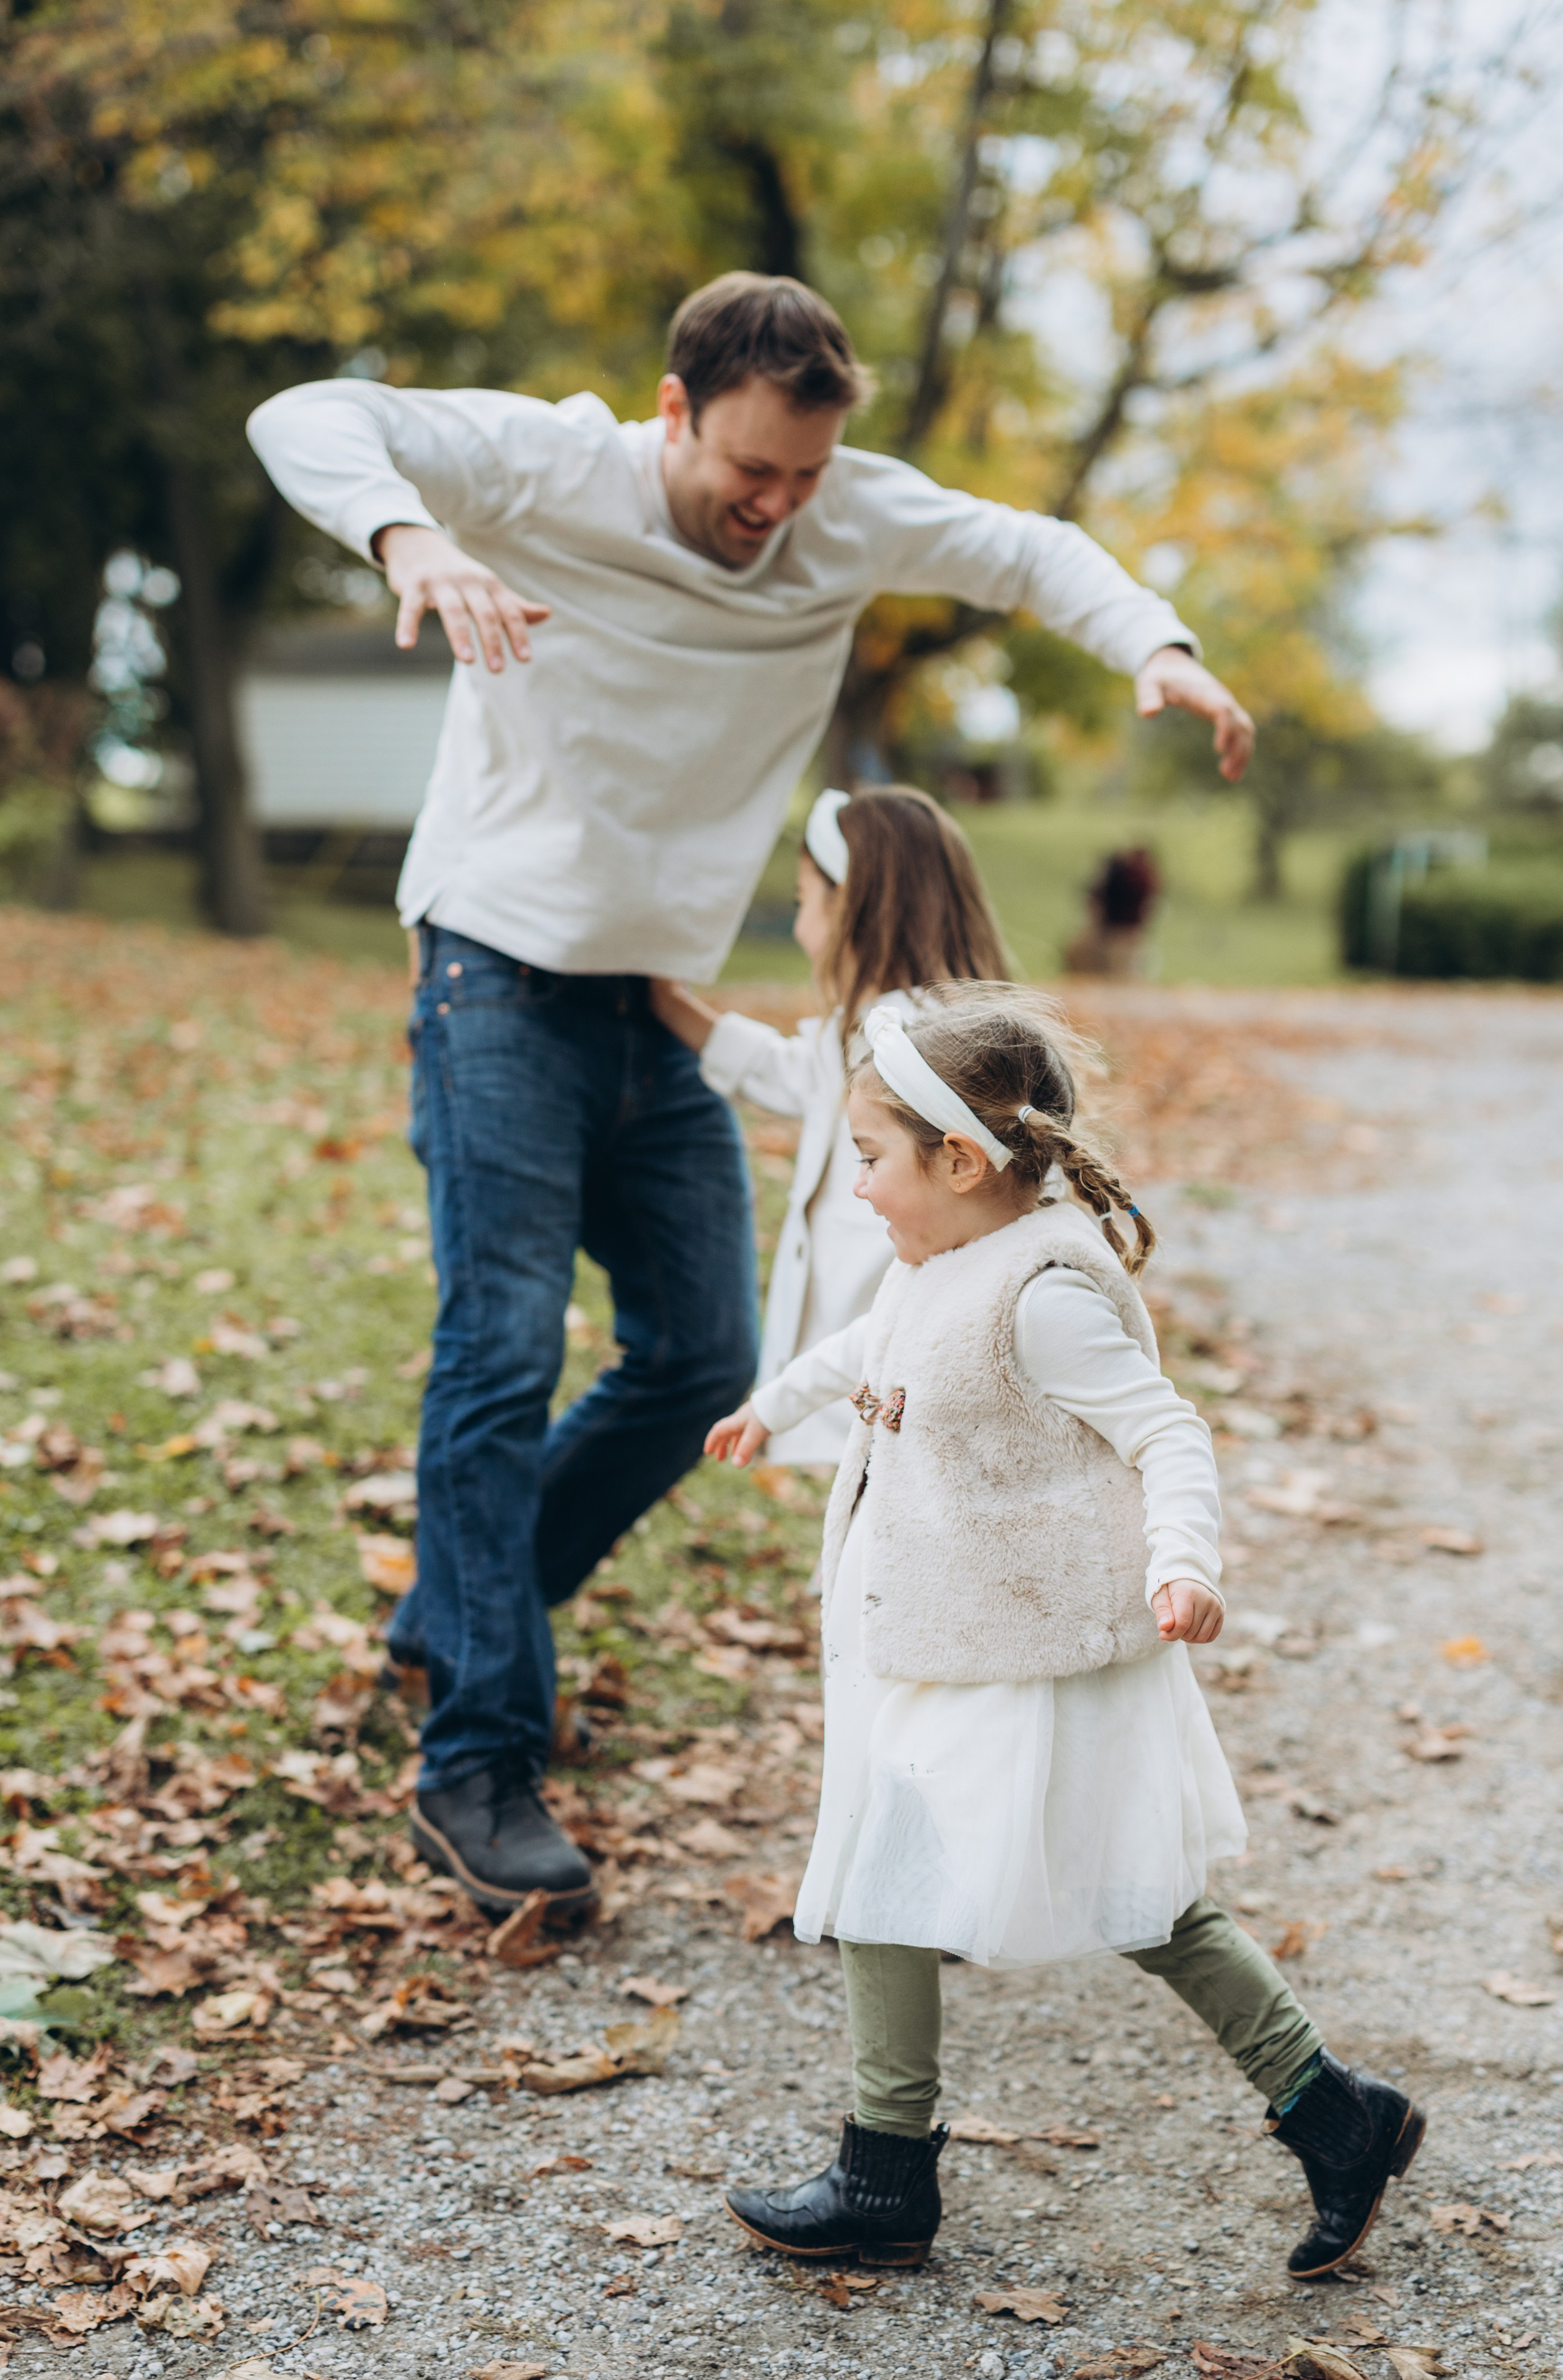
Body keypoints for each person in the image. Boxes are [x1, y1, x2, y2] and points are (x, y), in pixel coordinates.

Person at [245, 271, 1255, 1924]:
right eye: (745, 477)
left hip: (653, 999)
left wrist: (1152, 639)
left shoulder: (842, 513)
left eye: (803, 479)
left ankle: (462, 1612)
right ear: (671, 412)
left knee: (703, 1360)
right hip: (491, 964)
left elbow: (1027, 551)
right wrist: (409, 541)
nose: (776, 513)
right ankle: (478, 1757)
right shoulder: (551, 467)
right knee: (499, 1349)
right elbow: (306, 415)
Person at [704, 986, 1425, 2280]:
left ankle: (1327, 2112)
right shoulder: (940, 1261)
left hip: (1033, 1656)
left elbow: (1165, 1431)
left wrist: (1181, 1564)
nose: (857, 1187)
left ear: (963, 1161)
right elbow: (875, 1339)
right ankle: (891, 2171)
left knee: (1133, 1897)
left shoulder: (1040, 1295)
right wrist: (776, 1400)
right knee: (896, 1873)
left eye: (871, 1159)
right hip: (948, 1633)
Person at [650, 782, 1009, 1465]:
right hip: (882, 1355)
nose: (796, 926)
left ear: (853, 906)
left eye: (802, 901)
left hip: (908, 1342)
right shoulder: (885, 1030)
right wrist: (672, 1005)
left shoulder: (910, 1043)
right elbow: (789, 1071)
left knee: (893, 1508)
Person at [1063, 843, 1161, 976]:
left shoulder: (1135, 877)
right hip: (1112, 929)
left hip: (1122, 931)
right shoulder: (1132, 876)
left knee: (1119, 973)